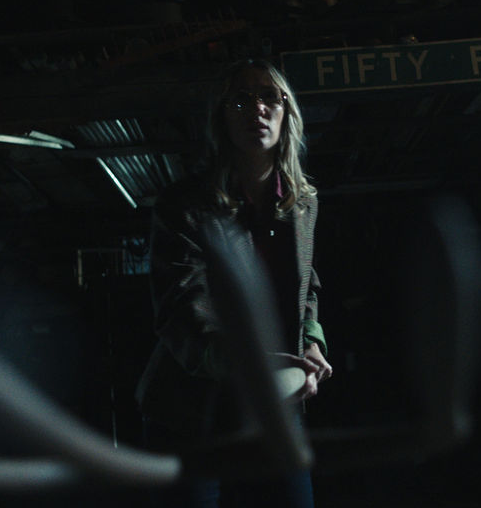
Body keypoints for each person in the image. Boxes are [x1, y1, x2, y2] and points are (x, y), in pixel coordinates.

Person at [135, 58, 333, 508]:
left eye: (269, 97)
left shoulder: (304, 202)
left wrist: (311, 340)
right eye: (241, 100)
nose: (257, 108)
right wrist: (250, 364)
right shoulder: (184, 205)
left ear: (286, 112)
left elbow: (307, 282)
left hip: (273, 409)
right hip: (190, 413)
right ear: (221, 118)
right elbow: (182, 306)